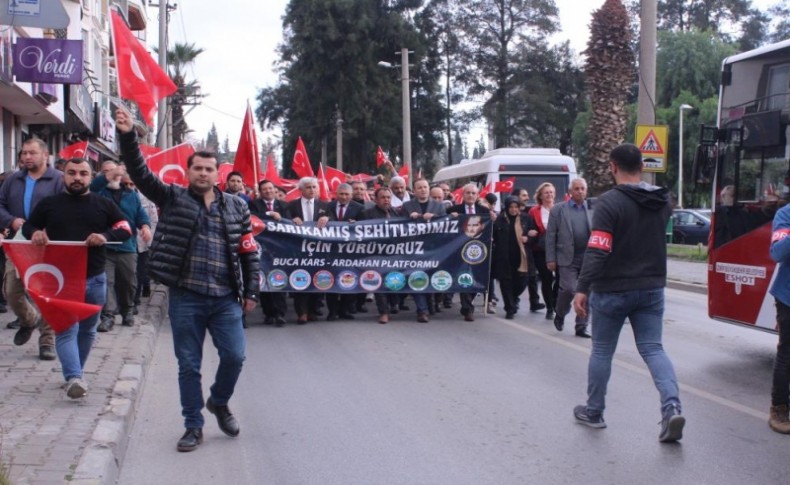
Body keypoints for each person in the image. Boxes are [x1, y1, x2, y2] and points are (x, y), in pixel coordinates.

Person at [116, 108, 260, 453]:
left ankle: (219, 401)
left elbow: (248, 250)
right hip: (186, 296)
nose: (203, 173)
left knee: (235, 357)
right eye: (197, 168)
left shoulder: (236, 207)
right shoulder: (172, 197)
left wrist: (251, 290)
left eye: (209, 169)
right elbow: (140, 171)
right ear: (188, 171)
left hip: (226, 297)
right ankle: (193, 425)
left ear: (218, 174)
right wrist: (126, 135)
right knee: (189, 365)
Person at [572, 143, 684, 443]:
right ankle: (671, 406)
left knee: (602, 351)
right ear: (643, 167)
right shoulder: (663, 200)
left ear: (613, 166)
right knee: (653, 348)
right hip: (651, 288)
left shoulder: (609, 203)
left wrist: (582, 288)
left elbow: (597, 250)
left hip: (612, 289)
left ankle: (594, 412)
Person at [22, 158, 132, 398]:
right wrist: (36, 233)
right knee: (66, 330)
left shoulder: (103, 203)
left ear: (91, 177)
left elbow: (125, 228)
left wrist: (105, 235)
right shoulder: (50, 204)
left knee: (88, 330)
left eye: (83, 173)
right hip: (61, 280)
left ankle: (76, 375)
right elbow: (28, 226)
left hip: (95, 278)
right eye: (72, 173)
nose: (77, 178)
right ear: (64, 176)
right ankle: (73, 377)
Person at [0, 138, 64, 360]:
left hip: (47, 244)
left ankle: (47, 341)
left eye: (32, 153)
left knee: (46, 292)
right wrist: (11, 221)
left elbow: (65, 208)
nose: (27, 157)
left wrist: (48, 228)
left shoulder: (57, 179)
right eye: (24, 153)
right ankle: (29, 319)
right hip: (18, 242)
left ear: (45, 155)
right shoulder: (13, 180)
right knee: (11, 290)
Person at [92, 164, 152, 331]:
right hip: (104, 246)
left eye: (115, 173)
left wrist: (145, 226)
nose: (112, 176)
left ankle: (127, 310)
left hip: (127, 246)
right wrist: (107, 176)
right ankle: (108, 316)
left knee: (128, 282)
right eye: (106, 173)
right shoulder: (98, 193)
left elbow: (140, 214)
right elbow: (92, 187)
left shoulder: (131, 194)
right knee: (106, 282)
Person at [546, 178, 592, 338]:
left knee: (587, 292)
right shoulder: (558, 210)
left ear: (586, 190)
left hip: (588, 257)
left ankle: (581, 325)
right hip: (567, 258)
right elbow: (551, 236)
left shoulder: (592, 209)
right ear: (570, 192)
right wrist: (550, 258)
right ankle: (560, 313)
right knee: (569, 289)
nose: (580, 191)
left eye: (582, 188)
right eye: (577, 189)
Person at [285, 177, 328, 324]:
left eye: (314, 187)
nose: (312, 190)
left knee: (317, 278)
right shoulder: (291, 206)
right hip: (299, 249)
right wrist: (292, 220)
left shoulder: (324, 205)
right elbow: (285, 220)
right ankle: (301, 312)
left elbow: (334, 220)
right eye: (309, 187)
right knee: (300, 278)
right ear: (301, 189)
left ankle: (313, 310)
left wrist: (328, 219)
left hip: (318, 249)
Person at [402, 179, 446, 323]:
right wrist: (409, 219)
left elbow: (445, 225)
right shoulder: (407, 206)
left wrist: (434, 218)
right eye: (419, 187)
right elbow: (398, 227)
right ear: (414, 190)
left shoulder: (439, 207)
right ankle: (422, 310)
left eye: (425, 187)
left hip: (433, 249)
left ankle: (431, 303)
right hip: (414, 249)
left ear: (429, 189)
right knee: (417, 277)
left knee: (432, 277)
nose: (423, 190)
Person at [449, 183, 490, 321]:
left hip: (478, 249)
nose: (470, 195)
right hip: (459, 250)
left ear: (477, 195)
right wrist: (450, 218)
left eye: (473, 193)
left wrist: (493, 219)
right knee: (464, 276)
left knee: (476, 277)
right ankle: (467, 309)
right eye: (468, 193)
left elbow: (490, 228)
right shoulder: (454, 209)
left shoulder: (484, 211)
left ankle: (469, 302)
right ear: (463, 194)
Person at [249, 180, 287, 327]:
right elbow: (252, 217)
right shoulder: (254, 204)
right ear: (260, 191)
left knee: (279, 280)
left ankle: (280, 313)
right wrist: (269, 214)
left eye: (270, 188)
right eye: (265, 189)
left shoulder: (284, 205)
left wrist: (281, 218)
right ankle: (269, 313)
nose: (268, 191)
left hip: (280, 249)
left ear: (275, 189)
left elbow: (290, 222)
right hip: (262, 249)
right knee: (264, 281)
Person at [360, 187, 399, 324]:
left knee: (393, 280)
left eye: (388, 197)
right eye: (383, 197)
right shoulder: (367, 214)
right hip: (375, 254)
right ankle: (383, 312)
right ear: (375, 199)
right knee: (380, 282)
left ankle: (393, 304)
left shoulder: (397, 213)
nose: (386, 200)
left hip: (394, 254)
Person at [325, 183, 363, 321]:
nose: (344, 197)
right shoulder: (328, 206)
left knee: (350, 279)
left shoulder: (359, 208)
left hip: (351, 251)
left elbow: (365, 226)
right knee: (332, 280)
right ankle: (332, 311)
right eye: (341, 194)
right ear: (336, 194)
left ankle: (344, 310)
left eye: (347, 194)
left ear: (351, 195)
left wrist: (357, 224)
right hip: (331, 251)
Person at [769, 202, 790, 434]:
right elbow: (777, 252)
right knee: (787, 352)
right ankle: (779, 408)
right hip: (788, 295)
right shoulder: (785, 214)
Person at [492, 197, 530, 319]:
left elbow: (533, 233)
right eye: (511, 207)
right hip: (504, 257)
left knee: (522, 282)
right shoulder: (500, 219)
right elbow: (493, 235)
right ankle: (510, 308)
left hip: (521, 256)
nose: (513, 210)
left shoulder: (525, 218)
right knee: (506, 283)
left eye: (515, 207)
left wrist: (528, 238)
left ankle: (512, 298)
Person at [527, 182, 558, 320]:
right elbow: (528, 226)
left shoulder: (559, 208)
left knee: (561, 279)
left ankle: (556, 301)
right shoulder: (534, 211)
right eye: (546, 192)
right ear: (540, 195)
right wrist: (530, 232)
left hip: (559, 249)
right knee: (547, 278)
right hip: (541, 249)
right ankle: (550, 308)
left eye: (551, 192)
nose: (549, 194)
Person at [130, 177, 158, 314]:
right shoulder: (120, 196)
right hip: (127, 241)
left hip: (143, 241)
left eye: (132, 182)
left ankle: (135, 299)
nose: (129, 185)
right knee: (129, 271)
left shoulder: (146, 197)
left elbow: (153, 220)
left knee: (140, 271)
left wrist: (150, 240)